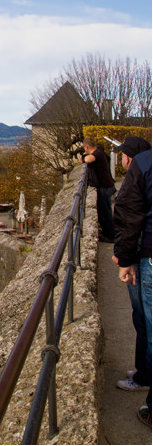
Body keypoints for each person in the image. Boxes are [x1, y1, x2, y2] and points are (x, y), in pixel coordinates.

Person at [110, 136, 151, 424]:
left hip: (146, 255)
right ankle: (145, 372)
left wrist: (124, 259)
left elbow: (128, 214)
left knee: (147, 323)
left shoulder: (144, 166)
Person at [85, 138, 115, 242]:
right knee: (104, 212)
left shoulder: (97, 153)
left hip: (105, 187)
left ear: (86, 147)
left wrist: (84, 158)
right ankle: (108, 233)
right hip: (106, 186)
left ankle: (111, 236)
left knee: (106, 213)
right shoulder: (99, 152)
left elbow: (88, 159)